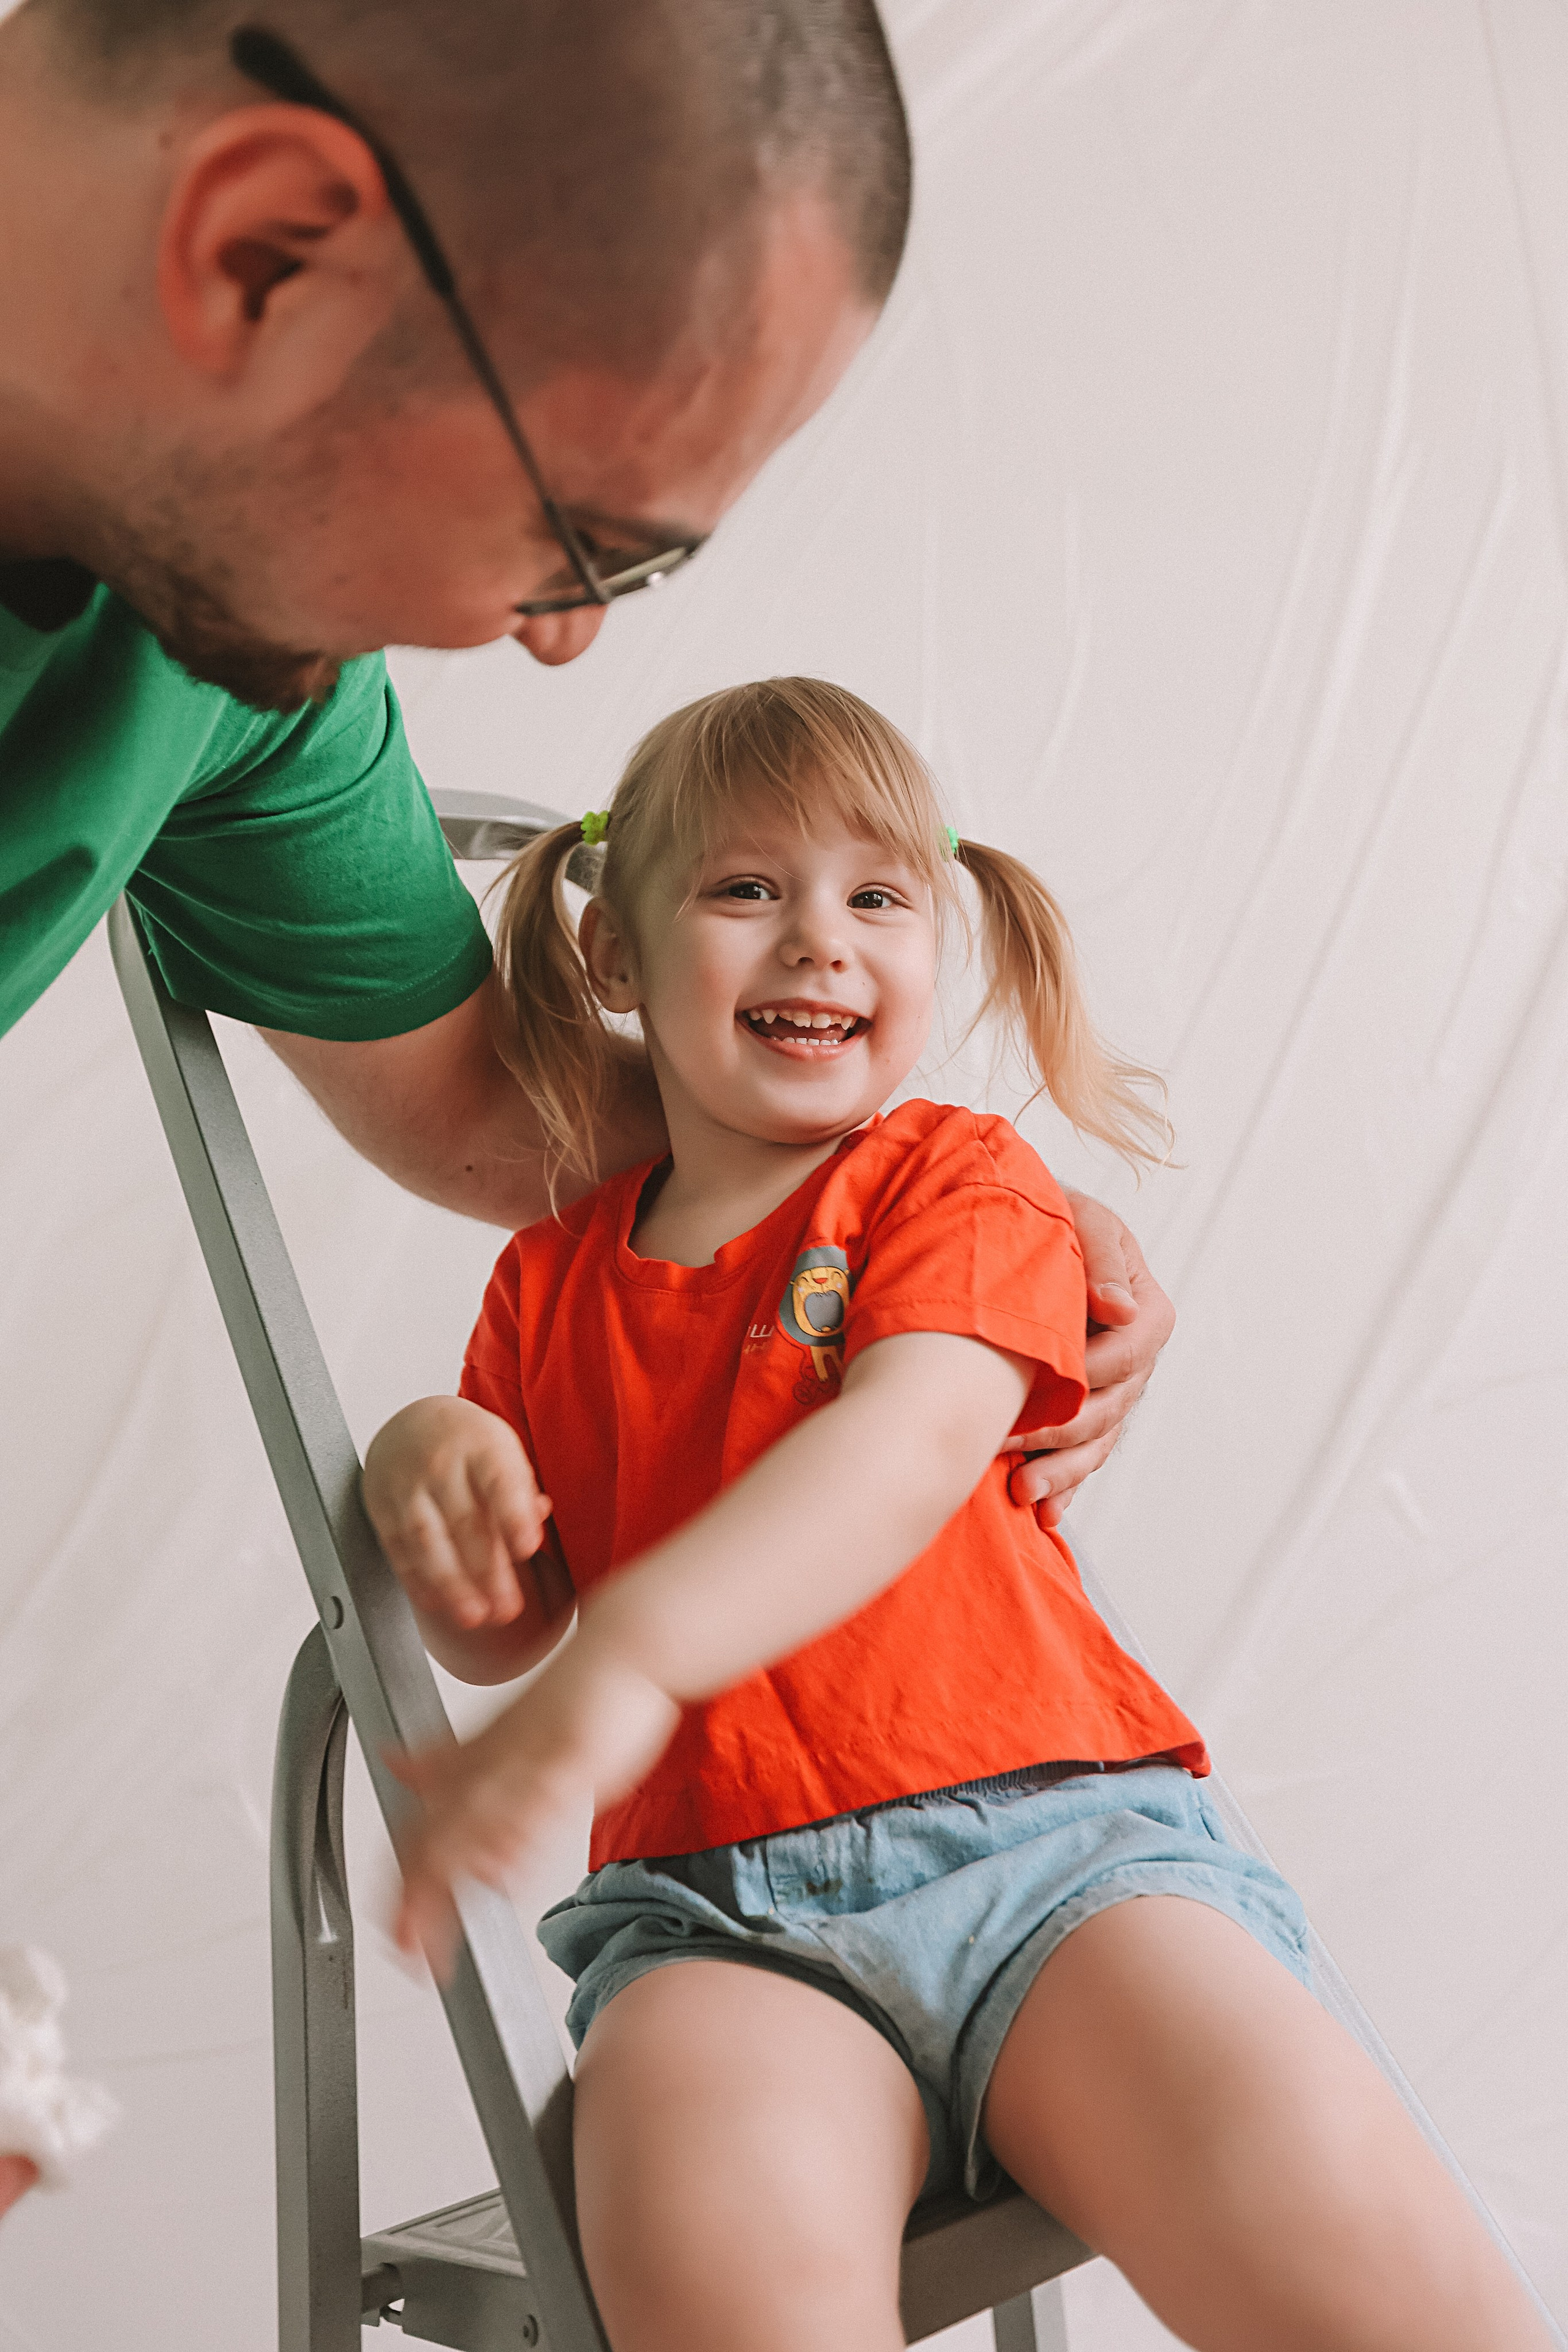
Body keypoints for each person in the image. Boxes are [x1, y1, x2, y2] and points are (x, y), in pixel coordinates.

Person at [361, 679, 1547, 2352]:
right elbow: (504, 1627)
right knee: (719, 2275)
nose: (818, 943)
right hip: (716, 1919)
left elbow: (905, 1450)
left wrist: (627, 1660)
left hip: (1055, 1854)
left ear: (939, 938)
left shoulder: (959, 1179)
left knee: (1387, 2296)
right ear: (616, 960)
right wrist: (427, 1459)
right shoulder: (545, 1281)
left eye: (875, 895)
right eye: (745, 890)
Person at [0, 0, 1166, 1521]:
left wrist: (935, 1208)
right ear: (265, 252)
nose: (558, 645)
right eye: (582, 547)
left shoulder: (231, 660)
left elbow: (490, 1107)